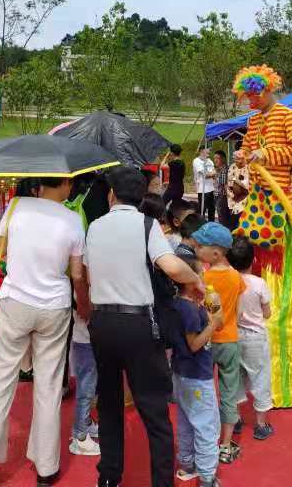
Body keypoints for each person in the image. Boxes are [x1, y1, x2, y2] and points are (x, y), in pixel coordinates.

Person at [0, 177, 88, 487]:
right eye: (70, 182)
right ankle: (46, 468)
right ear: (62, 183)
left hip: (15, 301)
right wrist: (84, 305)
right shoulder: (73, 219)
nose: (71, 187)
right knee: (48, 386)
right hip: (55, 306)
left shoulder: (16, 207)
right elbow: (76, 274)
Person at [84, 166, 205, 487]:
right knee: (154, 410)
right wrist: (195, 280)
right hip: (138, 324)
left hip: (103, 322)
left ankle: (109, 476)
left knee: (109, 404)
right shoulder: (147, 224)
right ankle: (161, 482)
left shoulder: (95, 226)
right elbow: (169, 265)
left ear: (111, 193)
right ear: (141, 195)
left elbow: (85, 275)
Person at [233, 64, 292, 409]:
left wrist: (269, 154)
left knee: (281, 298)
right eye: (247, 95)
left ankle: (284, 385)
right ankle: (256, 383)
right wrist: (244, 156)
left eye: (254, 94)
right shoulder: (252, 122)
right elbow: (249, 155)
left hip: (281, 210)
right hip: (258, 207)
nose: (250, 100)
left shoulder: (287, 116)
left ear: (267, 90)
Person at [192, 222, 245, 465]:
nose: (196, 248)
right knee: (228, 393)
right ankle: (225, 444)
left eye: (200, 246)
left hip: (207, 339)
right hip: (230, 340)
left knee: (202, 390)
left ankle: (203, 439)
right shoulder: (236, 277)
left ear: (216, 253)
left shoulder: (203, 276)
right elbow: (239, 311)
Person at [171, 250, 223, 487]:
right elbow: (194, 344)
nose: (204, 280)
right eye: (201, 275)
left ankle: (188, 463)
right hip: (197, 377)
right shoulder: (190, 311)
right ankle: (206, 476)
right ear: (189, 279)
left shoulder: (181, 305)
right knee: (206, 426)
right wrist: (212, 324)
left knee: (185, 420)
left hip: (181, 374)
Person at [227, 238, 273, 441]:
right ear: (253, 260)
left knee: (234, 377)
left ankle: (235, 419)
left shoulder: (229, 280)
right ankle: (261, 424)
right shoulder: (259, 283)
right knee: (260, 376)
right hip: (255, 337)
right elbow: (267, 313)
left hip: (233, 335)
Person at [69, 293, 100, 457]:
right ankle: (79, 437)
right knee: (86, 390)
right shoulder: (80, 283)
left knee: (89, 387)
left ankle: (85, 423)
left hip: (89, 340)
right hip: (85, 341)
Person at [226, 150, 250, 231]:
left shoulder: (249, 168)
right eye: (235, 159)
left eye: (238, 159)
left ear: (244, 159)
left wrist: (235, 179)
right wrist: (230, 194)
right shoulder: (232, 167)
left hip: (245, 201)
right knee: (232, 225)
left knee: (242, 225)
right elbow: (228, 184)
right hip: (232, 200)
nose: (236, 161)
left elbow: (246, 185)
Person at [192, 148, 216, 222]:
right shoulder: (196, 161)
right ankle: (200, 225)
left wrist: (212, 174)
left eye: (209, 152)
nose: (208, 154)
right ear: (201, 151)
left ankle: (211, 225)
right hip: (202, 190)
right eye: (207, 152)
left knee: (212, 210)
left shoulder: (210, 161)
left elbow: (214, 172)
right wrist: (212, 174)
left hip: (211, 188)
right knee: (202, 210)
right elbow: (205, 175)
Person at [213, 151, 229, 227]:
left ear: (223, 159)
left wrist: (229, 197)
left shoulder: (224, 170)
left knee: (222, 217)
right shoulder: (219, 169)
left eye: (217, 158)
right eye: (214, 158)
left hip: (222, 197)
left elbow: (225, 185)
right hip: (219, 196)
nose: (215, 160)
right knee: (221, 216)